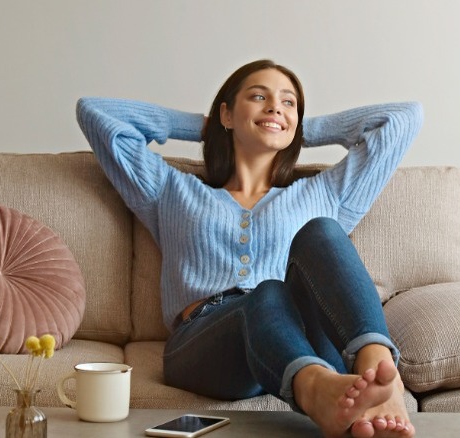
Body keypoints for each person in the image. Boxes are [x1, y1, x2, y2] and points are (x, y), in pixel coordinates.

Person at [77, 59, 422, 438]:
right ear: (226, 112)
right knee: (268, 292)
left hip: (304, 336)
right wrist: (206, 127)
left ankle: (376, 367)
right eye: (259, 96)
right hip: (208, 345)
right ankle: (315, 388)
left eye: (289, 102)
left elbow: (403, 119)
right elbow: (96, 113)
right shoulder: (170, 190)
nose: (275, 107)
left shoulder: (325, 192)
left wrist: (301, 129)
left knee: (322, 231)